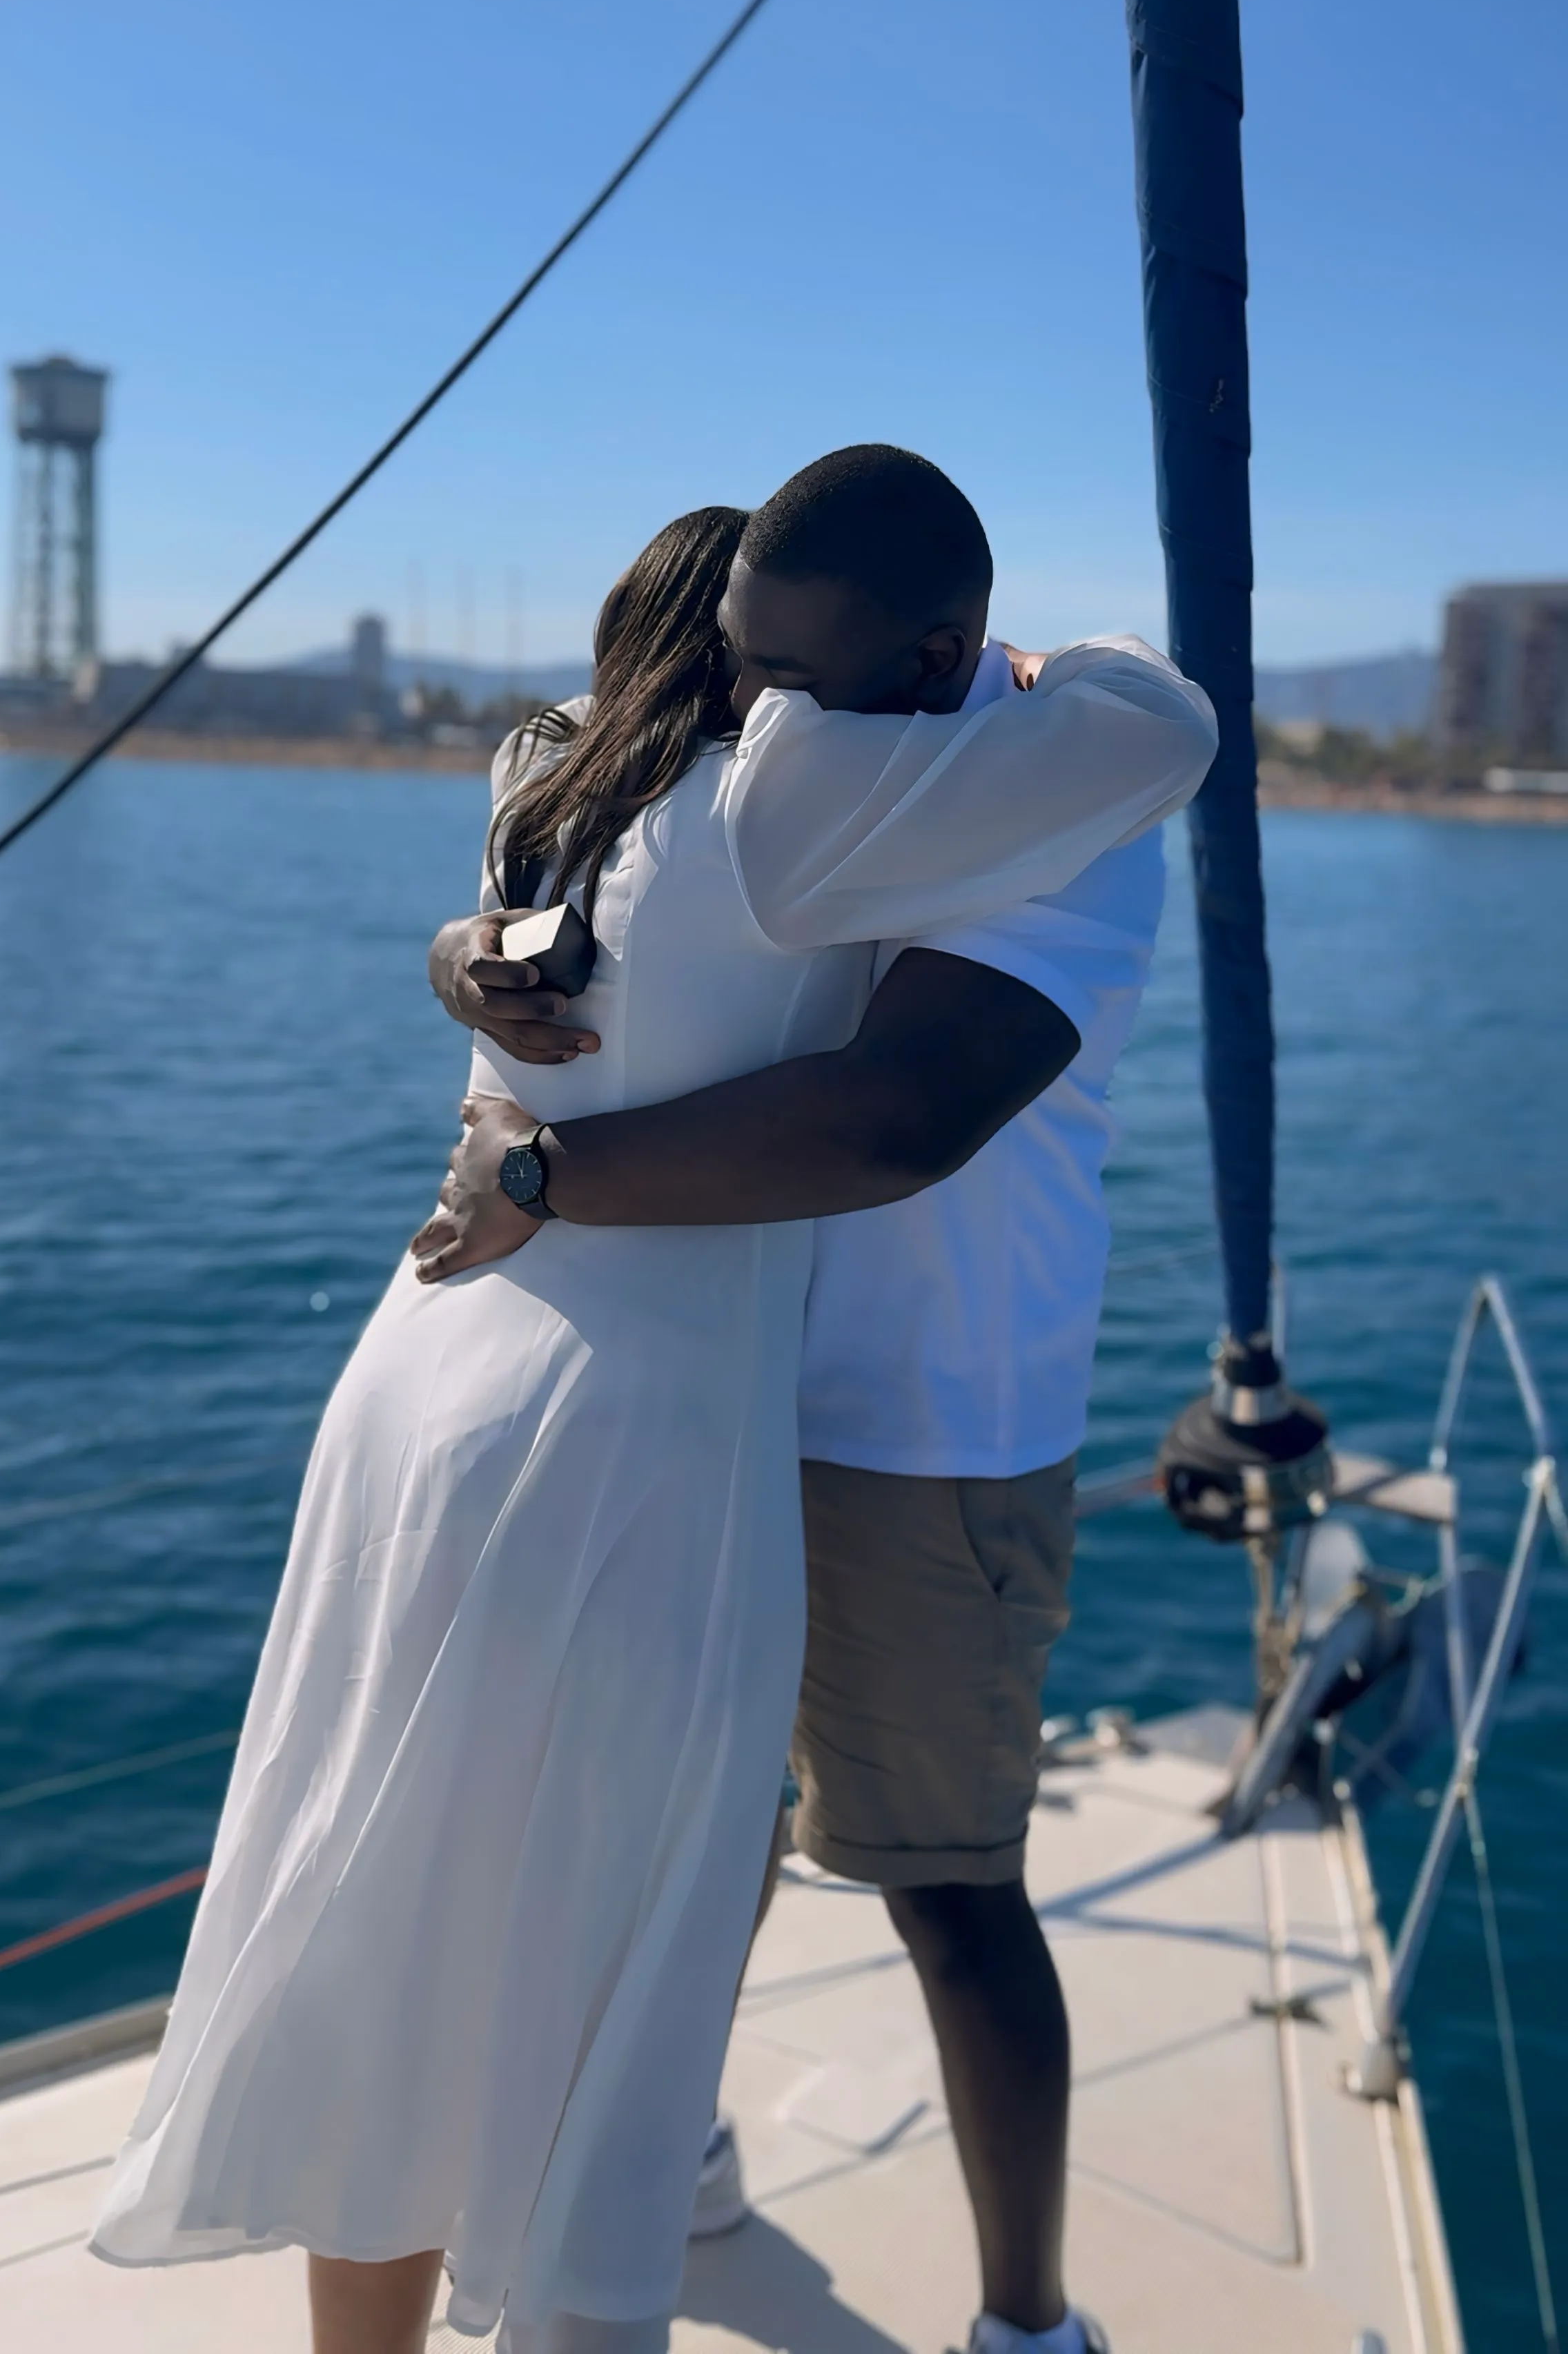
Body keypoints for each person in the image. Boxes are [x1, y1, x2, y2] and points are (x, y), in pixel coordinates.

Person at [92, 456, 1213, 2354]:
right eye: (740, 667)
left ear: (939, 654)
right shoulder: (771, 788)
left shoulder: (989, 794)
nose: (769, 711)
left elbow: (898, 1111)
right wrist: (491, 1032)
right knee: (653, 1855)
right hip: (681, 1418)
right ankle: (654, 2157)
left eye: (798, 674)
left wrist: (525, 1155)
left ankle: (1019, 2314)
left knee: (929, 1882)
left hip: (904, 1422)